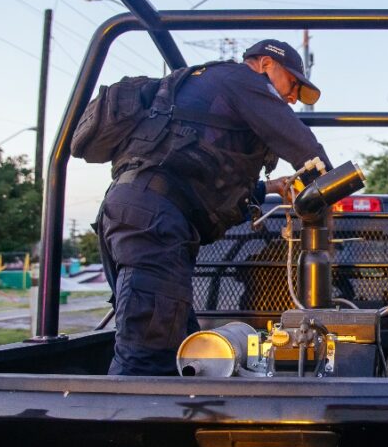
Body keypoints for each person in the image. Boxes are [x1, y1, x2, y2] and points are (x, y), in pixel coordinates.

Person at [97, 39, 332, 376]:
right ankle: (119, 427)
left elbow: (199, 168)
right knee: (146, 354)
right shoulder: (244, 81)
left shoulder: (213, 90)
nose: (293, 97)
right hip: (153, 221)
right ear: (266, 64)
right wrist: (330, 184)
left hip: (137, 212)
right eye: (292, 84)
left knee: (187, 351)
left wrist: (272, 187)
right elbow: (302, 145)